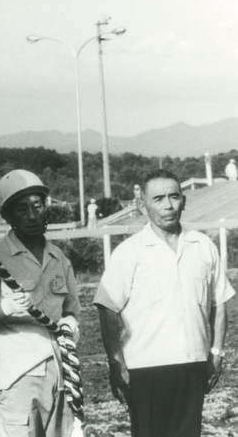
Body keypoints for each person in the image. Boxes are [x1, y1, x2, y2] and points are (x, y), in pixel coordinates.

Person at [94, 169, 235, 437]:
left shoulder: (202, 245)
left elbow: (218, 303)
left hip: (193, 363)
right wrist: (116, 362)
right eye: (158, 199)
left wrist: (216, 353)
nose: (168, 205)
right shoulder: (129, 252)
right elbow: (107, 309)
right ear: (142, 205)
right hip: (145, 368)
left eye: (174, 197)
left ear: (184, 200)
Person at [0, 169, 80, 437]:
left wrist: (71, 323)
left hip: (62, 371)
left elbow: (71, 309)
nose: (32, 215)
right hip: (20, 373)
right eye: (22, 209)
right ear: (8, 216)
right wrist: (6, 307)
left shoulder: (58, 258)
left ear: (46, 208)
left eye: (37, 206)